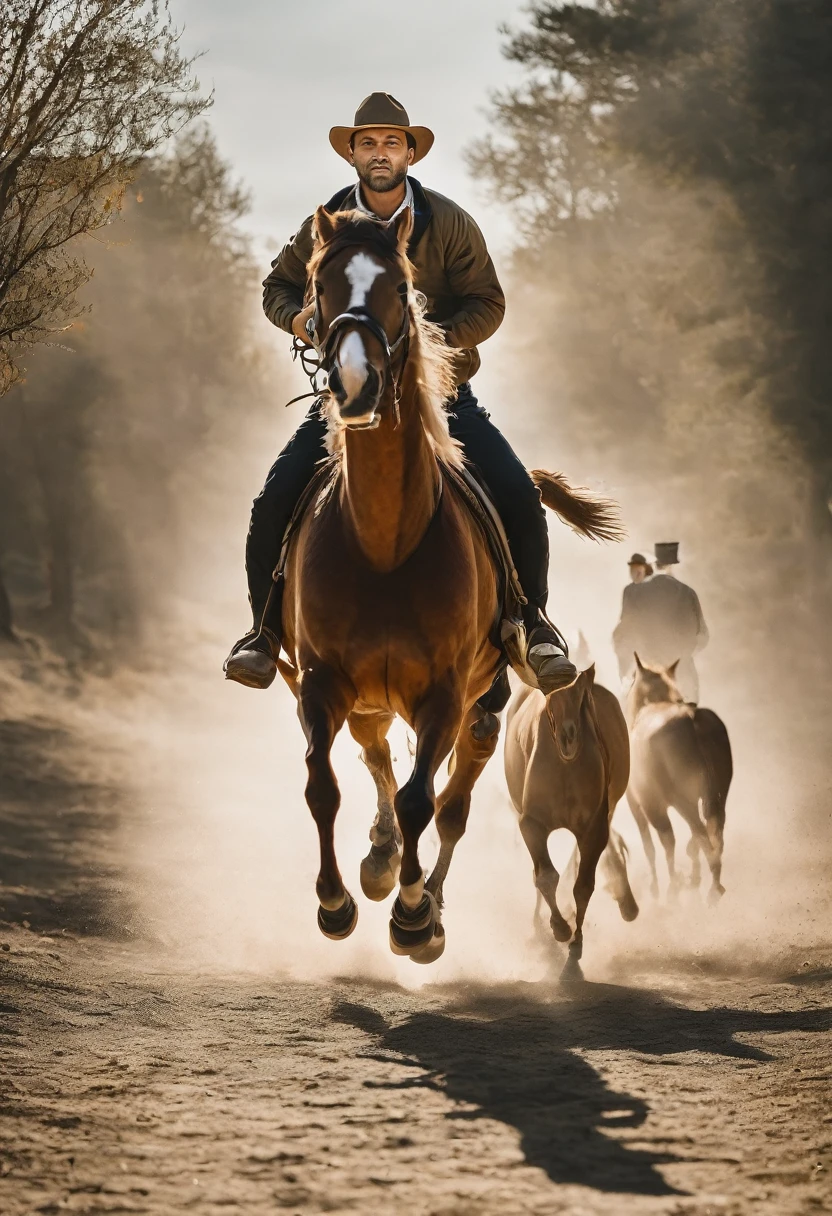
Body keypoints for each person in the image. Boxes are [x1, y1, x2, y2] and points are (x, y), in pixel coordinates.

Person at [225, 92, 576, 693]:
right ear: (352, 155)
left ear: (409, 153)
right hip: (349, 395)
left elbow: (488, 302)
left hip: (442, 398)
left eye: (392, 142)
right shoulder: (326, 224)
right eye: (368, 143)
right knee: (271, 502)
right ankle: (264, 633)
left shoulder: (451, 223)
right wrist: (300, 321)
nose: (380, 152)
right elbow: (275, 290)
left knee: (517, 491)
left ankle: (532, 622)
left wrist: (428, 346)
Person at [612, 542, 709, 703]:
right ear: (674, 565)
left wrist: (625, 672)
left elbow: (623, 635)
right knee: (692, 707)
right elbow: (703, 637)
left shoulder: (633, 592)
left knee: (625, 712)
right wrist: (685, 654)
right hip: (681, 673)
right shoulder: (688, 593)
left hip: (646, 672)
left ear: (654, 565)